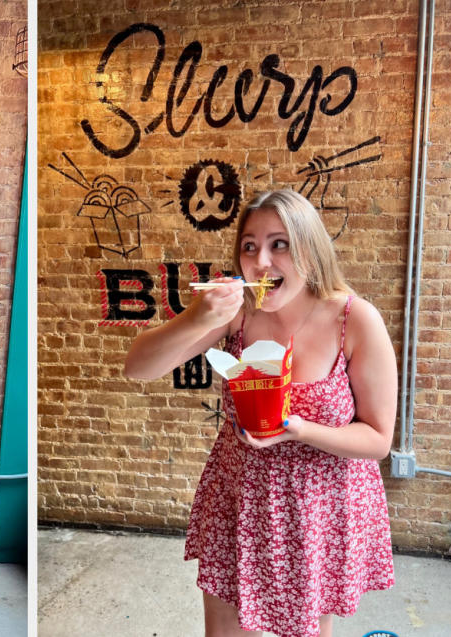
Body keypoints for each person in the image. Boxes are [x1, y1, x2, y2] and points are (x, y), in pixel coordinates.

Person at [124, 189, 397, 637]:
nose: (261, 262)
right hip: (240, 502)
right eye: (249, 246)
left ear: (310, 248)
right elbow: (138, 369)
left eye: (280, 244)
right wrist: (195, 317)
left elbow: (378, 439)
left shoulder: (355, 319)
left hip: (319, 511)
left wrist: (297, 429)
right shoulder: (237, 315)